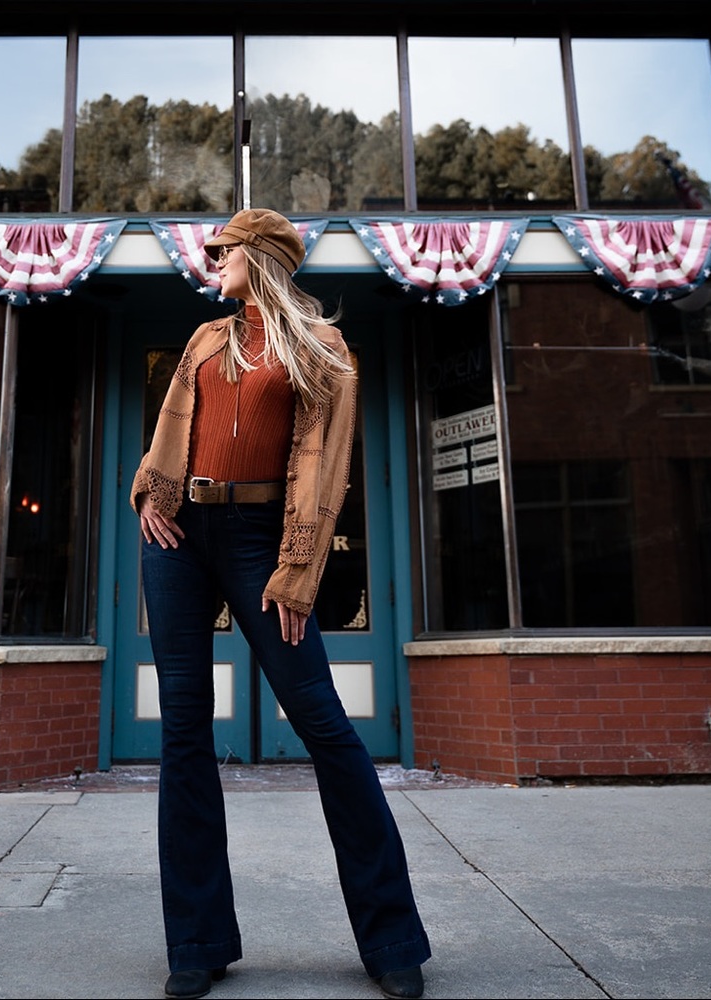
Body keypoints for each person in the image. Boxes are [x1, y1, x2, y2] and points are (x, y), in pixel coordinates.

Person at [131, 208, 431, 1000]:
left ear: (258, 255)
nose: (209, 261)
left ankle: (392, 937)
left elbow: (323, 468)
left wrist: (298, 570)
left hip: (263, 537)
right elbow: (170, 431)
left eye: (221, 251)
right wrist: (150, 497)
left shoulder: (323, 349)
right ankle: (196, 941)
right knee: (184, 732)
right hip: (178, 537)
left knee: (325, 725)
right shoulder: (203, 338)